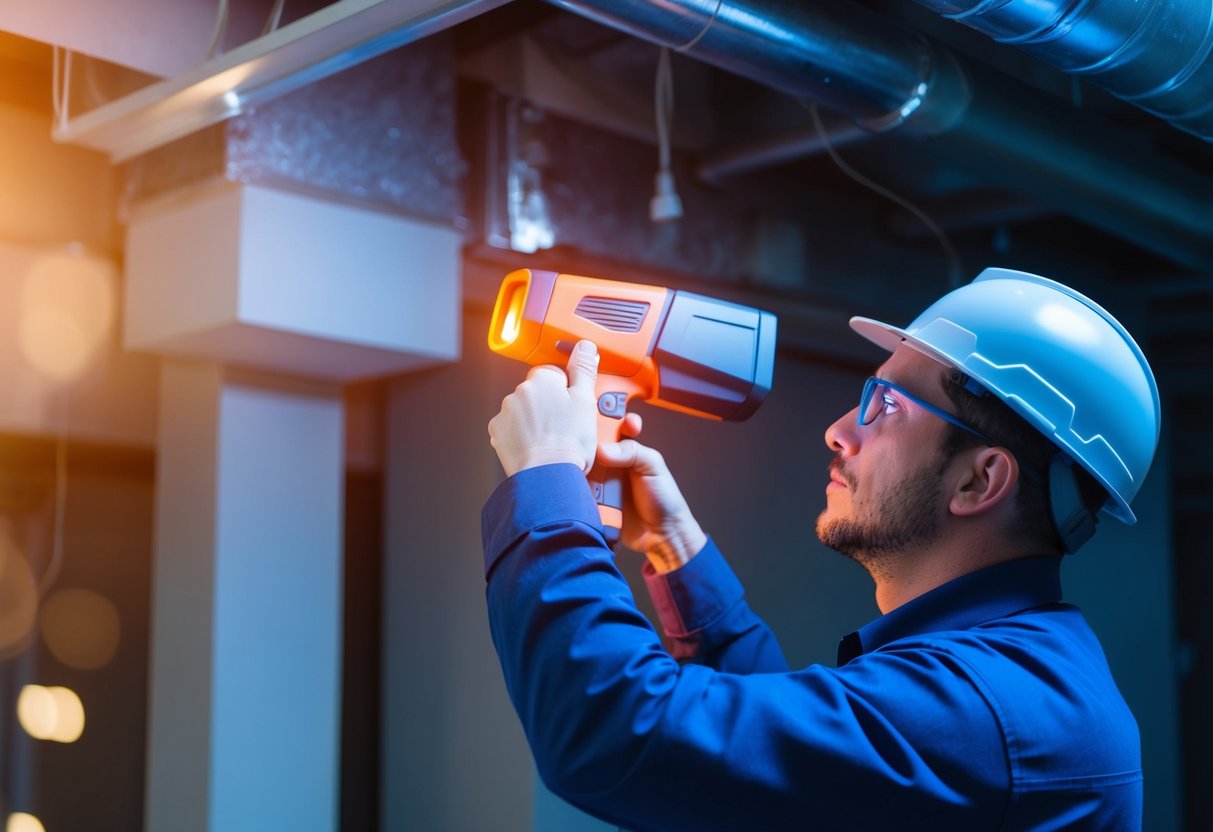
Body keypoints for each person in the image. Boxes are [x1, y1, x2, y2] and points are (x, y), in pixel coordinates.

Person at [481, 267, 1160, 831]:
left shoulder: (986, 711)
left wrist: (546, 477)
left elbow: (613, 732)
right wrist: (673, 545)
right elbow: (780, 761)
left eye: (886, 406)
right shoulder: (1010, 677)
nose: (838, 430)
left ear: (978, 479)